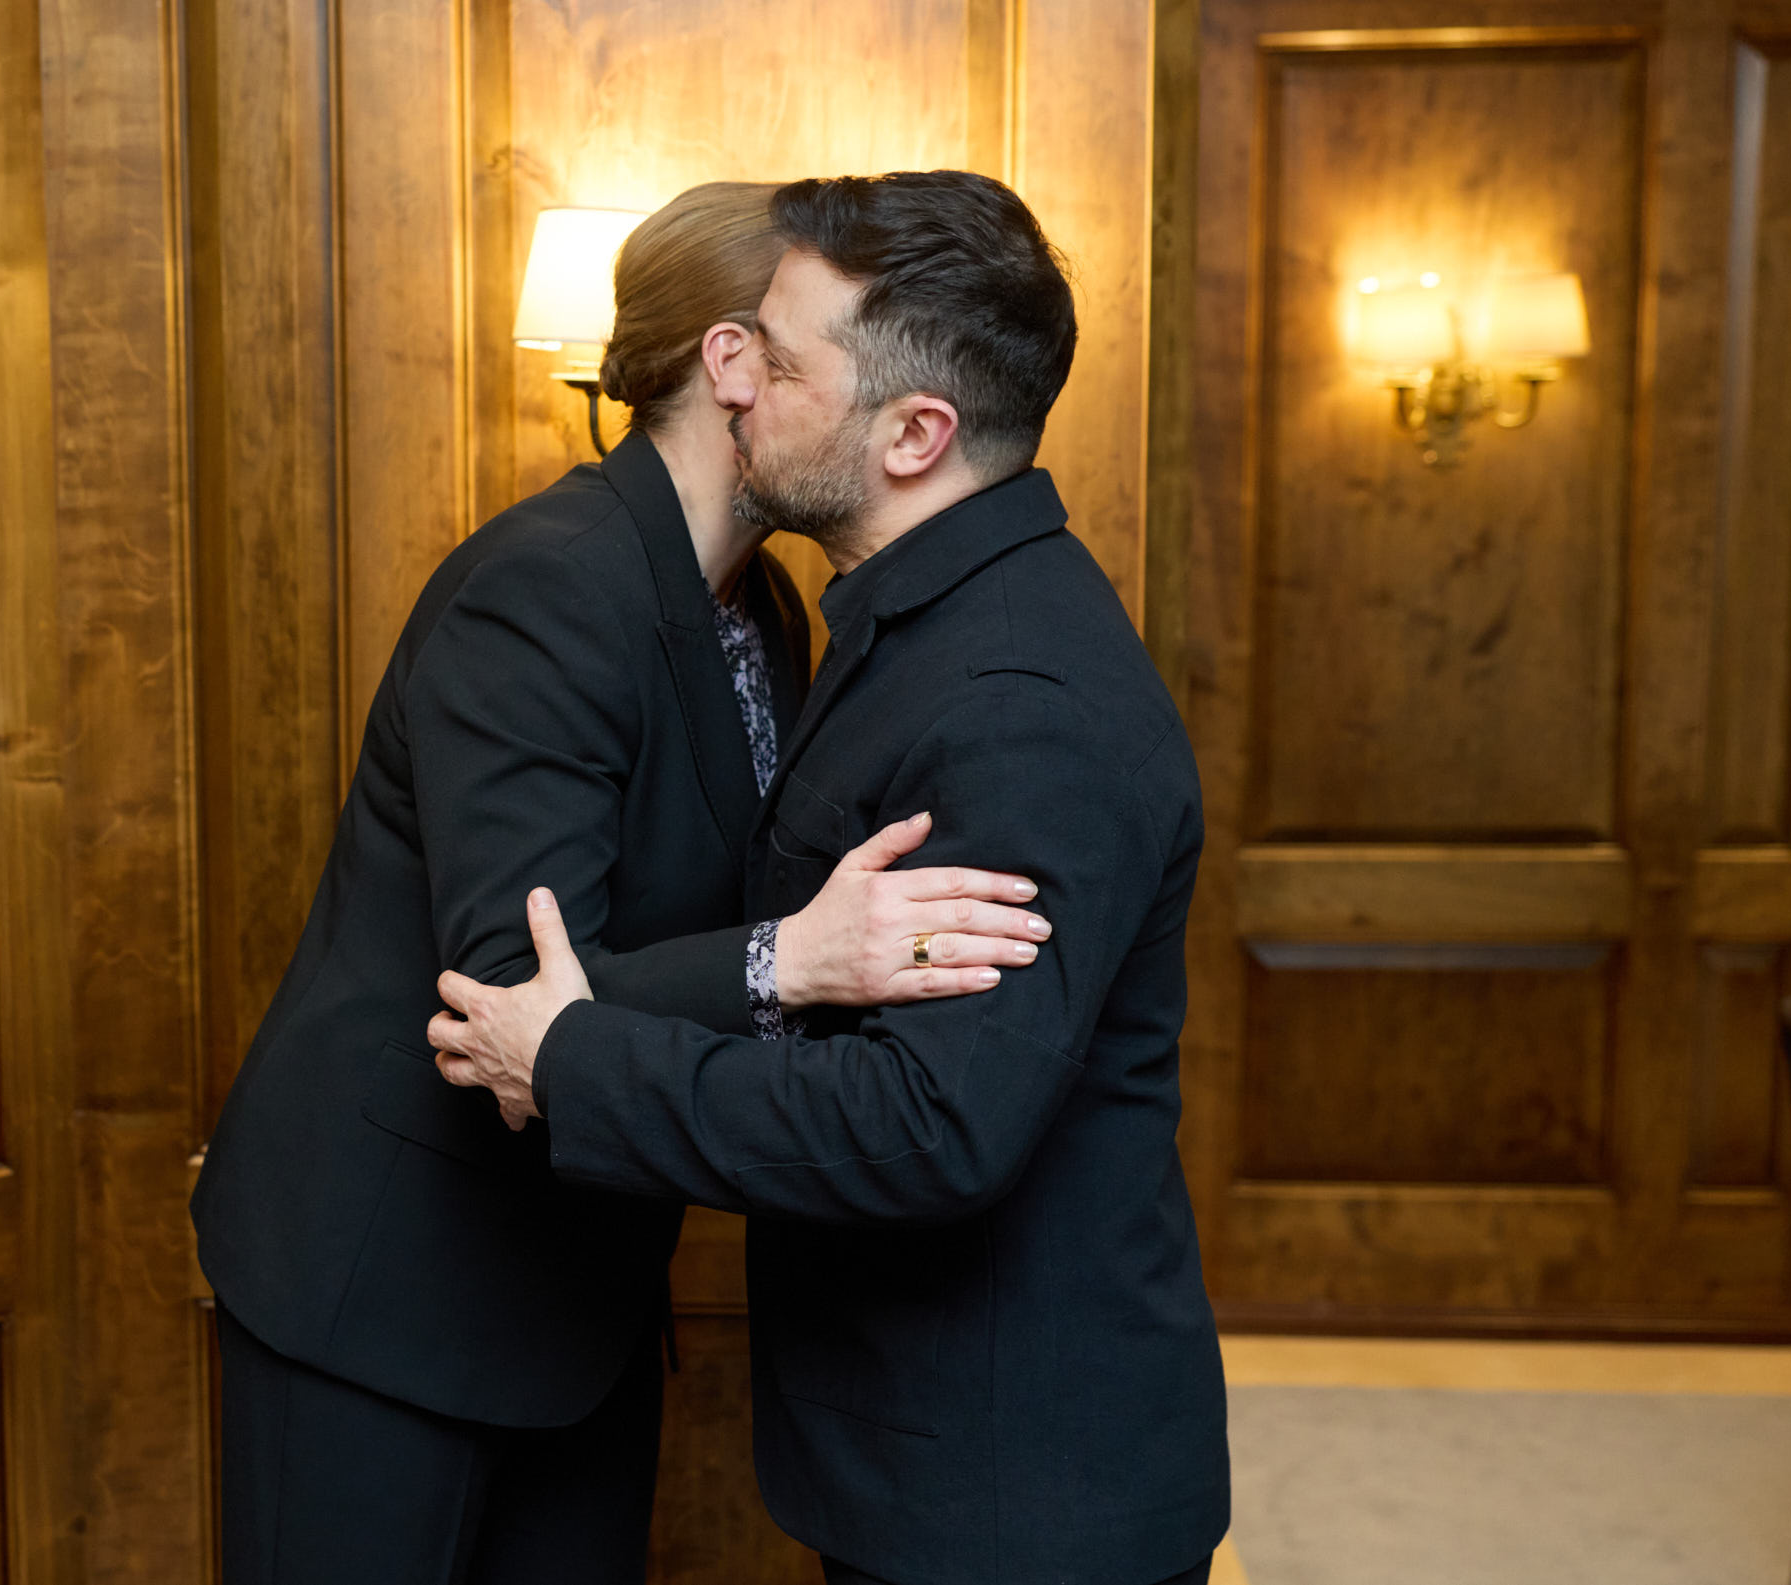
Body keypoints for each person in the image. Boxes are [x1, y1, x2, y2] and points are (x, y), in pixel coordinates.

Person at [189, 181, 1051, 1585]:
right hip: (386, 1283)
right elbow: (507, 994)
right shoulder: (549, 583)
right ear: (733, 362)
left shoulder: (765, 605)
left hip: (580, 1286)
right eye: (811, 351)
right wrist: (793, 960)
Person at [429, 170, 1230, 1585]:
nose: (735, 387)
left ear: (916, 434)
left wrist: (570, 1060)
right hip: (935, 1459)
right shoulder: (905, 619)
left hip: (1013, 1493)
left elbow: (931, 1125)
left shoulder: (1016, 701)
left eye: (783, 363)